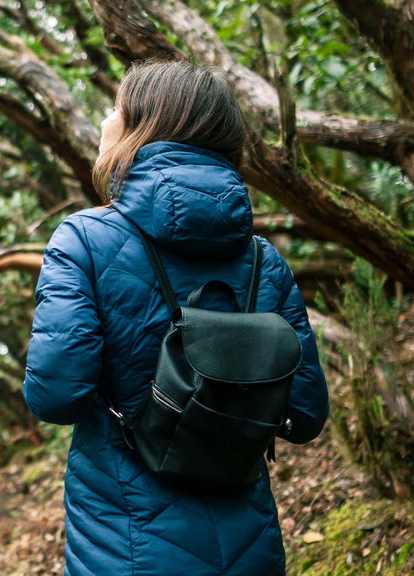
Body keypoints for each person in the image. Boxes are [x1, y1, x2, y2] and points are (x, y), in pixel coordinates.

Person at [21, 60, 330, 576]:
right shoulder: (263, 260)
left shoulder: (83, 240)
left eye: (115, 110)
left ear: (141, 126)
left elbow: (55, 396)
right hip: (249, 546)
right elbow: (304, 415)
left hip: (125, 543)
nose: (104, 122)